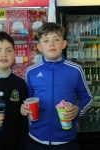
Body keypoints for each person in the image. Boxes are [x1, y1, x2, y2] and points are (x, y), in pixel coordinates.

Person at [20, 22, 93, 150]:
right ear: (39, 47)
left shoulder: (75, 70)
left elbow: (87, 98)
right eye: (46, 40)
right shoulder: (31, 72)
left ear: (64, 44)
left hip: (66, 142)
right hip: (36, 140)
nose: (51, 44)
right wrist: (24, 109)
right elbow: (28, 100)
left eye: (56, 39)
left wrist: (78, 109)